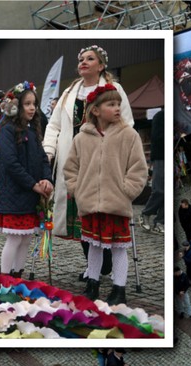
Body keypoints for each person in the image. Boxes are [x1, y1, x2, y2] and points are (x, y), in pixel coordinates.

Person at [43, 45, 135, 282]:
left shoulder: (114, 89)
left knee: (105, 212)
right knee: (81, 216)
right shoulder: (69, 93)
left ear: (101, 65)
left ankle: (110, 266)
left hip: (104, 159)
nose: (83, 62)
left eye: (90, 59)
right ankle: (93, 265)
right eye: (81, 59)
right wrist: (49, 150)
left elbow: (127, 123)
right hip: (74, 162)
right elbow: (54, 126)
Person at [64, 82, 147, 303]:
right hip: (90, 203)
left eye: (118, 104)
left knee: (119, 248)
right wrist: (77, 189)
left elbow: (138, 168)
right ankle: (93, 283)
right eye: (111, 104)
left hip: (117, 202)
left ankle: (119, 288)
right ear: (96, 110)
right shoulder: (82, 138)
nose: (117, 108)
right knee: (94, 244)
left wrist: (127, 190)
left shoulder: (129, 135)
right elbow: (70, 167)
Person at [0, 82, 53, 277]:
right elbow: (11, 163)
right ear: (16, 106)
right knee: (14, 238)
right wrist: (33, 184)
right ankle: (5, 277)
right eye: (27, 104)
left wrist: (46, 179)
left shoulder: (33, 130)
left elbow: (43, 158)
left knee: (27, 238)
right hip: (15, 193)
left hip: (31, 194)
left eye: (34, 104)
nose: (32, 108)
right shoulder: (7, 130)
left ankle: (17, 275)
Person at [141, 108, 165, 233]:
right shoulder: (160, 116)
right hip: (161, 156)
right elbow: (158, 137)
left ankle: (160, 221)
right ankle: (146, 213)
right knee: (159, 190)